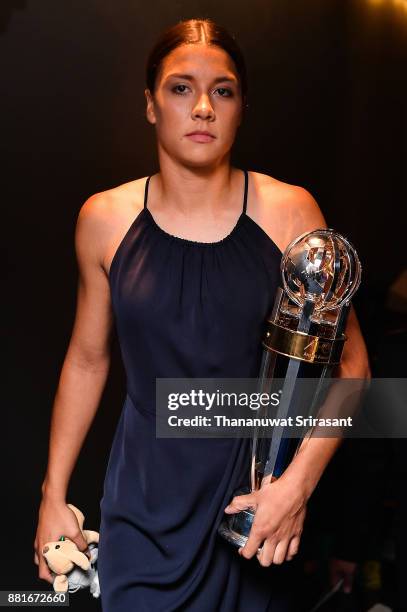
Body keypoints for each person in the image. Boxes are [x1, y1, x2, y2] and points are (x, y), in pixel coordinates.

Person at [33, 17, 370, 612]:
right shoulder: (104, 220)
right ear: (150, 105)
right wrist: (52, 493)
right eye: (181, 87)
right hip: (141, 507)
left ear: (241, 108)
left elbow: (354, 369)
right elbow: (87, 361)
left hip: (253, 513)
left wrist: (296, 487)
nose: (203, 108)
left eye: (223, 90)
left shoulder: (289, 211)